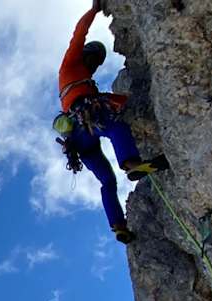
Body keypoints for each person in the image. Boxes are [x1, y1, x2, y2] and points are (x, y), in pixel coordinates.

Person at [57, 0, 166, 244]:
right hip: (86, 119)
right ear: (86, 55)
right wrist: (94, 10)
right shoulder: (70, 66)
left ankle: (118, 226)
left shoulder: (85, 84)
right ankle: (132, 164)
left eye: (97, 62)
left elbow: (112, 99)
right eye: (94, 59)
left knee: (107, 181)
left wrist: (134, 97)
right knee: (117, 128)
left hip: (78, 138)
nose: (94, 65)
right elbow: (78, 34)